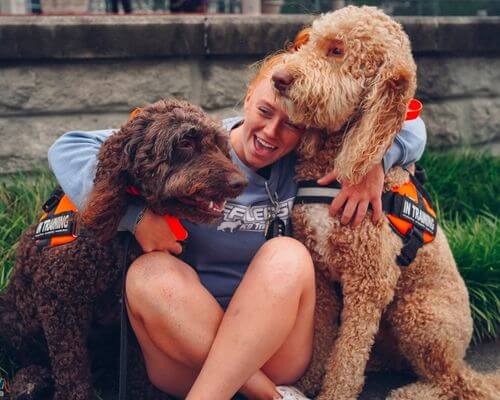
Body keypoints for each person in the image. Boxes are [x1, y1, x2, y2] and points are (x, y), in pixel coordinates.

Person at [47, 53, 426, 400]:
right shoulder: (190, 142)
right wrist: (136, 217)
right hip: (183, 349)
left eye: (291, 125)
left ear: (307, 129)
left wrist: (373, 162)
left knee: (287, 255)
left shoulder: (305, 163)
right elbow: (68, 146)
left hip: (275, 349)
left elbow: (411, 123)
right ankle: (271, 396)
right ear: (247, 97)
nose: (271, 133)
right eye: (264, 111)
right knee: (147, 274)